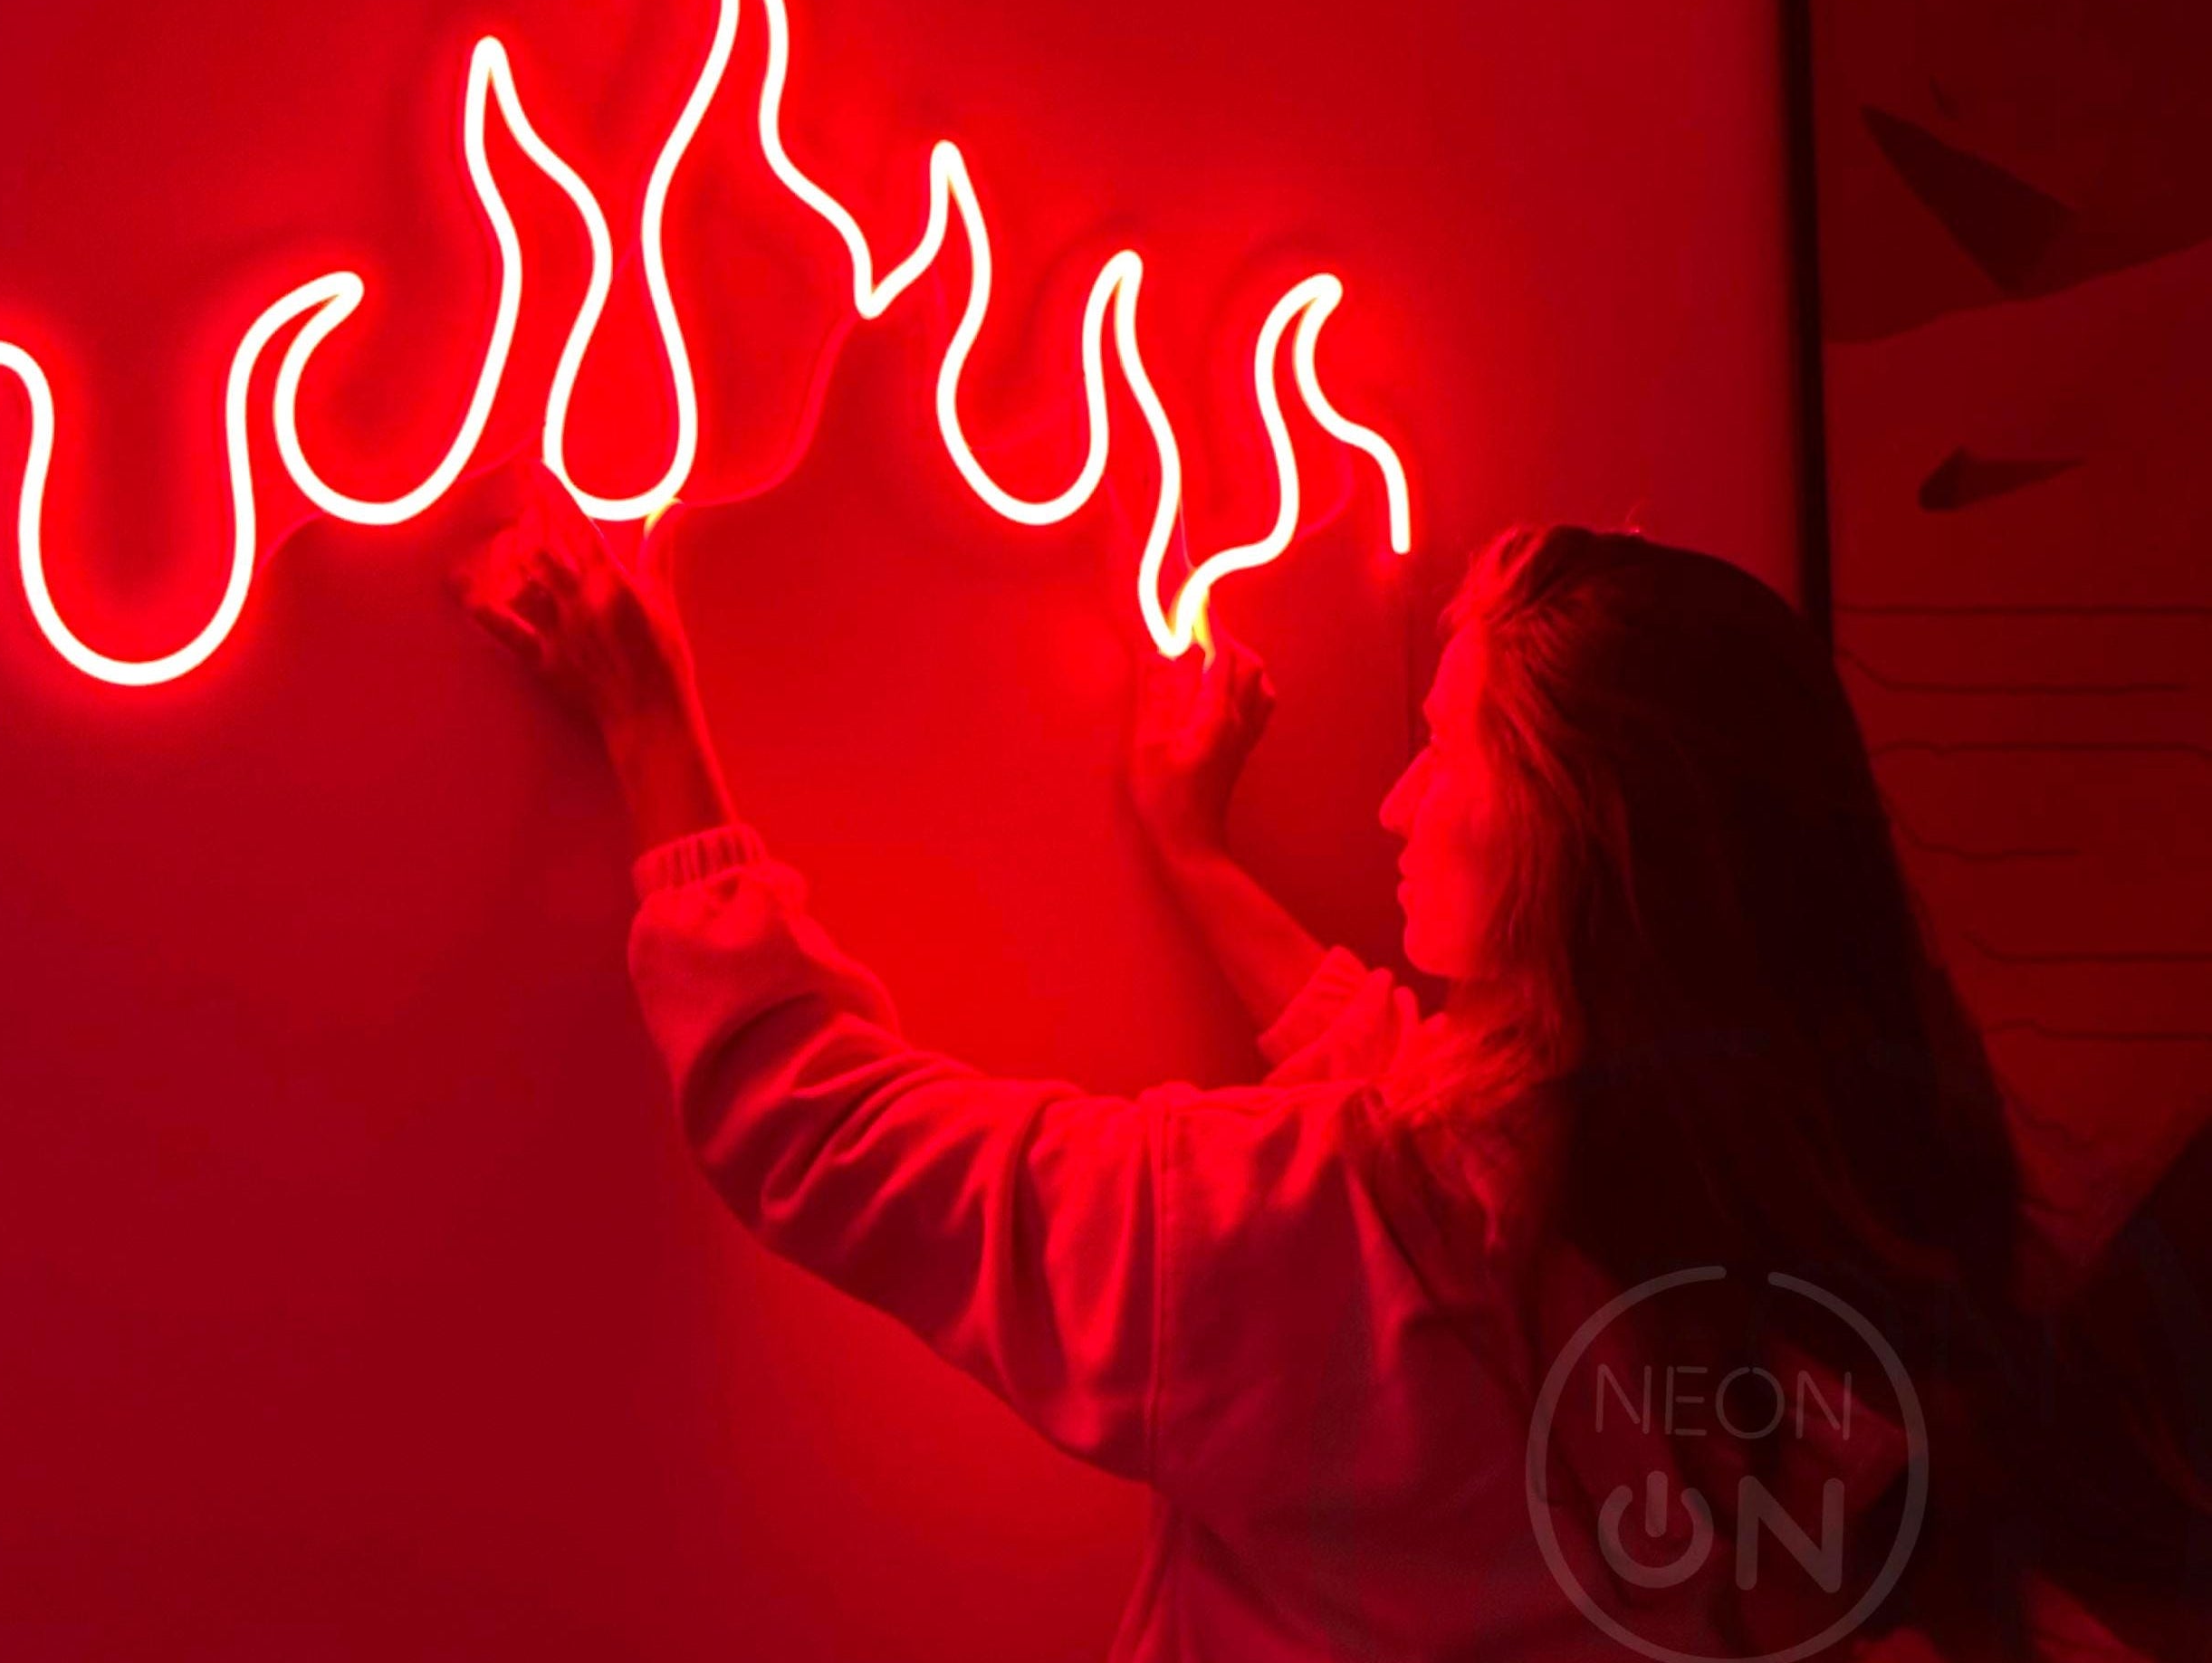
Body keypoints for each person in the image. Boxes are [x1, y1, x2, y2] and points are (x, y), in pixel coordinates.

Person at [461, 464, 2209, 1660]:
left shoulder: (1309, 1246)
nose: (1392, 800)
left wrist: (651, 724)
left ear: (1565, 853)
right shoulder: (1803, 1230)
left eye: (1443, 749)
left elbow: (827, 1138)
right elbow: (1461, 1130)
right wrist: (1196, 853)